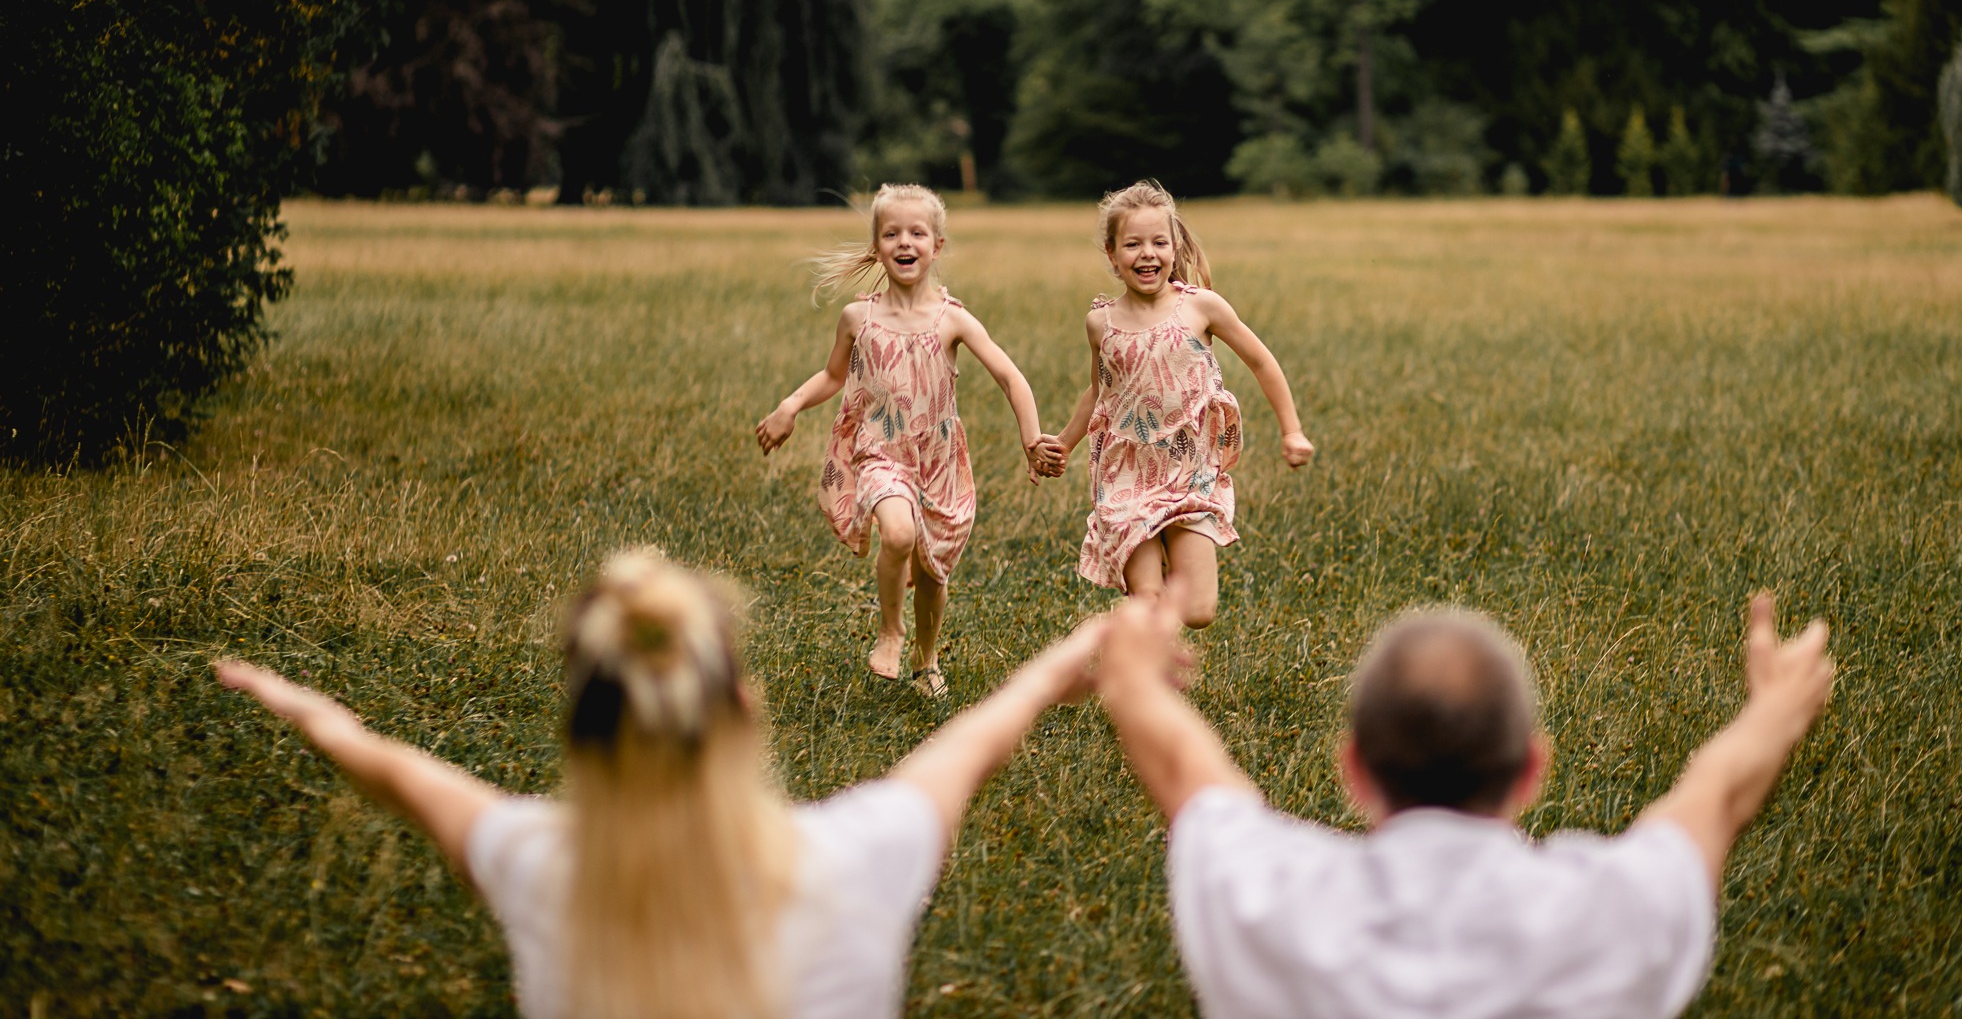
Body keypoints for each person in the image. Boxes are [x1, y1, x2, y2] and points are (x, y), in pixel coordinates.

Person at [215, 548, 1103, 1019]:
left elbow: (401, 774)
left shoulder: (541, 867)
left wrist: (320, 718)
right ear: (746, 713)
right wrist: (1061, 663)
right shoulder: (854, 860)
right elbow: (968, 747)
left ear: (581, 738)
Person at [1094, 579, 1837, 1019]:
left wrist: (1130, 667)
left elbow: (1182, 766)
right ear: (1531, 770)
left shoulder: (1273, 902)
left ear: (1353, 769)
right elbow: (1713, 801)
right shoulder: (1610, 915)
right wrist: (1775, 710)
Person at [754, 183, 1064, 696]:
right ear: (877, 246)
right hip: (881, 452)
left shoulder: (952, 319)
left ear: (936, 245)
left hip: (939, 462)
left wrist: (1031, 439)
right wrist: (789, 406)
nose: (905, 242)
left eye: (917, 233)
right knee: (897, 534)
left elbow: (1011, 377)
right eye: (891, 233)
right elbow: (833, 377)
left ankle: (927, 660)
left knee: (933, 570)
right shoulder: (859, 318)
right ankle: (890, 632)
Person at [1049, 181, 1313, 627]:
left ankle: (1169, 552)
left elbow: (1261, 361)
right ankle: (1140, 664)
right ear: (1112, 256)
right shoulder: (1101, 323)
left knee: (1197, 612)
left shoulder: (1200, 308)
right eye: (1133, 244)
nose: (1147, 254)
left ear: (1174, 248)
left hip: (1190, 472)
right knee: (1148, 603)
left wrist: (1292, 430)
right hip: (1127, 475)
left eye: (1158, 242)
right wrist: (1063, 443)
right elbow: (1098, 391)